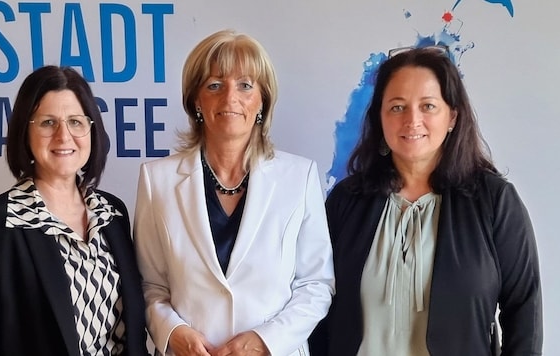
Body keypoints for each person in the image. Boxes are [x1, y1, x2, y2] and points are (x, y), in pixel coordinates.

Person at [309, 46, 543, 356]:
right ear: (380, 118)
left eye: (428, 106)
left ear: (452, 117)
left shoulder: (494, 201)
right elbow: (315, 302)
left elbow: (524, 310)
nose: (412, 120)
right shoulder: (345, 201)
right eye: (397, 107)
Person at [133, 29, 335, 356]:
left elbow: (316, 285)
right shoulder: (158, 181)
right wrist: (173, 331)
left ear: (262, 100)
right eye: (214, 85)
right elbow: (149, 285)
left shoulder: (300, 177)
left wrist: (264, 341)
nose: (230, 98)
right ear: (196, 100)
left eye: (245, 85)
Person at [0, 65, 149, 356]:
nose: (64, 136)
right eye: (47, 123)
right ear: (24, 131)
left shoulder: (112, 213)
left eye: (76, 122)